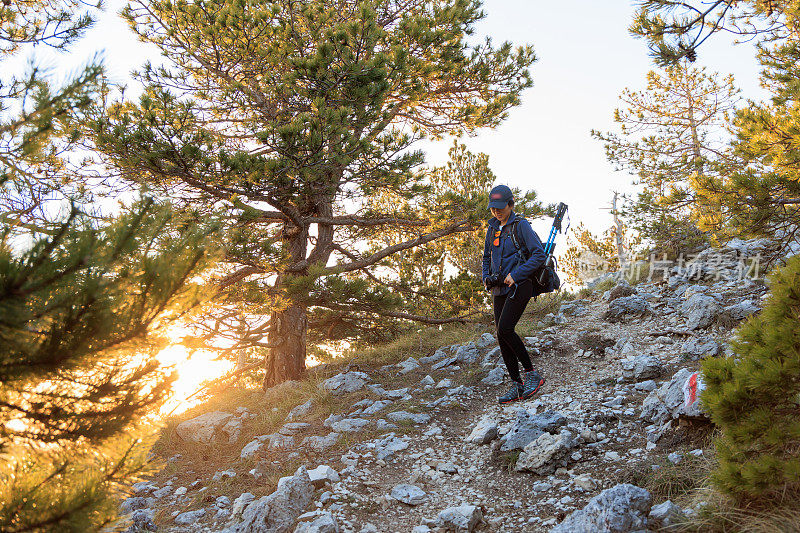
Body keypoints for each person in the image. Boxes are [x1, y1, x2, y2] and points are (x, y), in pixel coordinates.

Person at [481, 184, 548, 404]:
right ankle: (517, 385)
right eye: (493, 208)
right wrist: (486, 276)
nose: (497, 212)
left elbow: (538, 255)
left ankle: (532, 374)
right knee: (501, 335)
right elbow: (486, 257)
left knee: (506, 328)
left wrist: (517, 274)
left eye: (500, 207)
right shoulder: (492, 228)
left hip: (520, 285)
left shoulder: (521, 226)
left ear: (511, 204)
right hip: (499, 288)